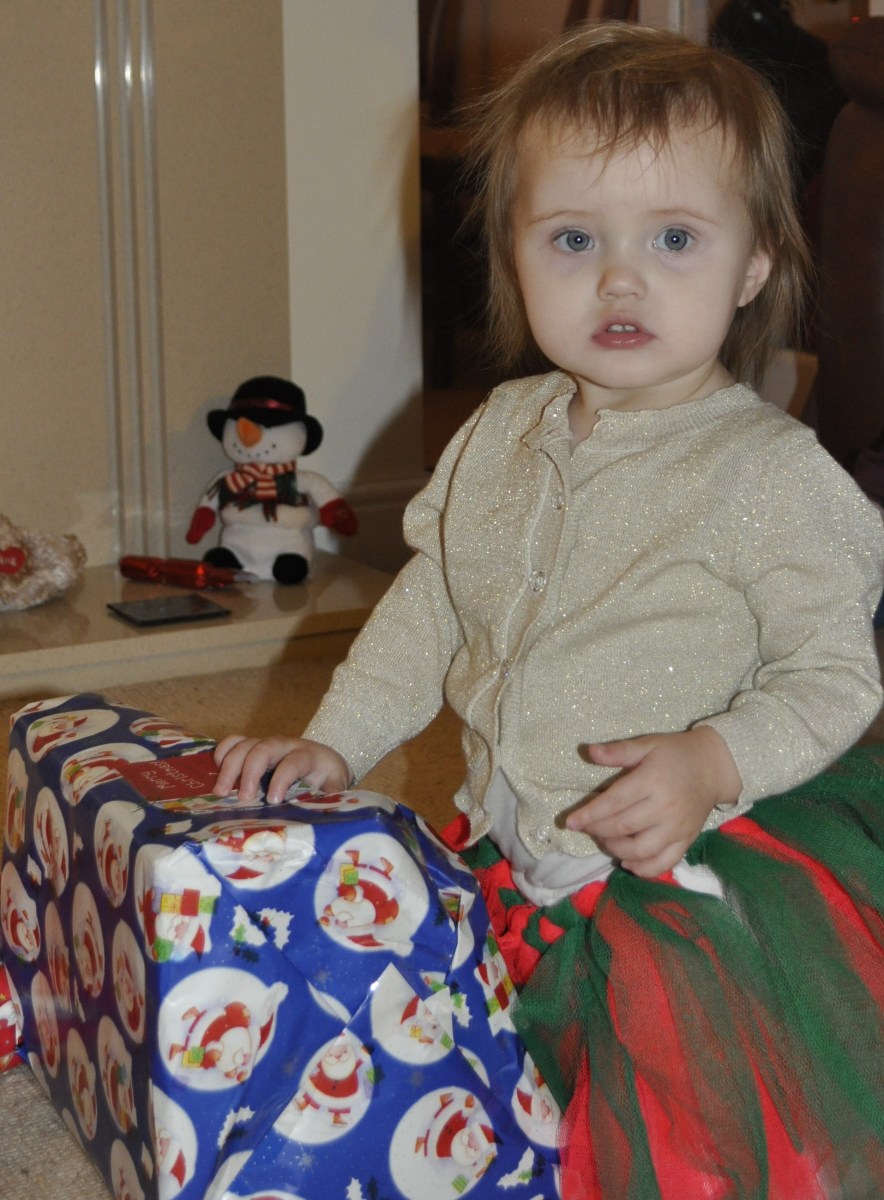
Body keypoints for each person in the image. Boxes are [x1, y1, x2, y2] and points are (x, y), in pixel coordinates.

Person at [214, 23, 884, 1198]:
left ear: (752, 265)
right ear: (514, 255)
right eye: (573, 239)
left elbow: (835, 674)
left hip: (690, 870)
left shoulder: (769, 476)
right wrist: (337, 740)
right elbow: (432, 606)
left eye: (672, 238)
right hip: (516, 833)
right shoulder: (498, 430)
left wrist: (711, 761)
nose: (619, 280)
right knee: (473, 1048)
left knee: (692, 1115)